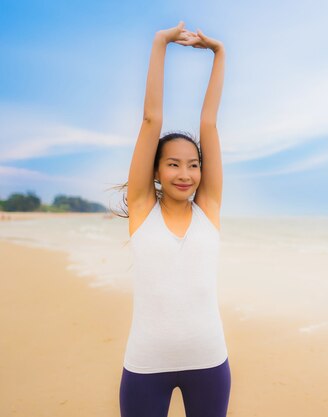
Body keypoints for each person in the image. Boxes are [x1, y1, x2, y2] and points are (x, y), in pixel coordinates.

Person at [116, 21, 230, 417]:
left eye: (194, 165)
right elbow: (151, 120)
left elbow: (209, 124)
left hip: (209, 360)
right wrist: (159, 42)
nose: (186, 174)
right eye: (174, 164)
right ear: (156, 170)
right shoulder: (143, 209)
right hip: (147, 363)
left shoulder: (208, 209)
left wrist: (219, 54)